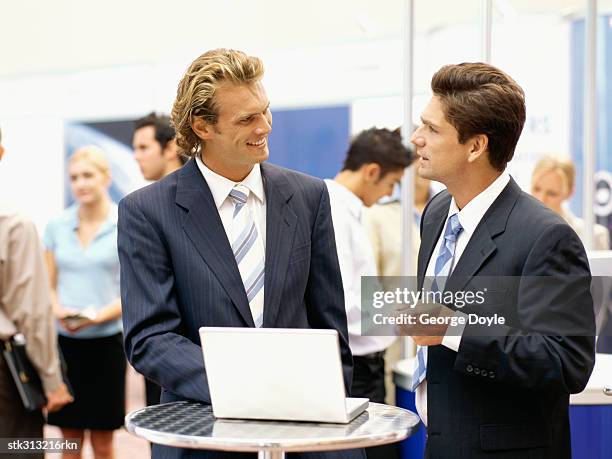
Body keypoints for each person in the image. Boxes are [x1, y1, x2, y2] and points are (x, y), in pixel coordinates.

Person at [118, 48, 363, 459]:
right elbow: (150, 337)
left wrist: (328, 412)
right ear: (202, 126)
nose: (265, 126)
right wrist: (247, 388)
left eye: (265, 111)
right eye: (247, 119)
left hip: (308, 437)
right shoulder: (147, 211)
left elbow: (328, 322)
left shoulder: (308, 196)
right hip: (202, 434)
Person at [407, 63, 595, 458]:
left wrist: (454, 329)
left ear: (476, 146)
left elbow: (566, 363)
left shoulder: (545, 236)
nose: (416, 139)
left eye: (432, 129)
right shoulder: (438, 212)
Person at [325, 127, 412, 459]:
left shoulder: (345, 210)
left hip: (361, 365)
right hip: (355, 370)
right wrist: (401, 315)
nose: (388, 193)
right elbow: (343, 302)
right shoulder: (335, 212)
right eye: (390, 184)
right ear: (371, 171)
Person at [44, 146, 125, 459]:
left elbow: (132, 290)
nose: (81, 183)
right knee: (69, 441)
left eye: (88, 175)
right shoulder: (57, 227)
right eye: (74, 177)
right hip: (65, 345)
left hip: (106, 346)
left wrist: (99, 316)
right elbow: (48, 286)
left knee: (103, 442)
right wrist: (58, 311)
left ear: (106, 178)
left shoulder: (125, 222)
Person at [0, 126, 73, 458]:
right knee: (18, 450)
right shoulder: (13, 225)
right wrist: (52, 379)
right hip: (5, 377)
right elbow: (32, 312)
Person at [132, 112, 185, 407]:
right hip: (156, 347)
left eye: (143, 147)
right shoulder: (140, 208)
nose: (136, 157)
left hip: (198, 355)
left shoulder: (204, 204)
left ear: (171, 147)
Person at [531, 154, 610, 250]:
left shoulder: (595, 236)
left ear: (569, 193)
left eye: (552, 193)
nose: (541, 199)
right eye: (537, 189)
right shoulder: (515, 230)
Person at [132, 112, 187, 182]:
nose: (136, 157)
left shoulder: (197, 190)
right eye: (135, 149)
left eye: (143, 147)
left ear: (170, 149)